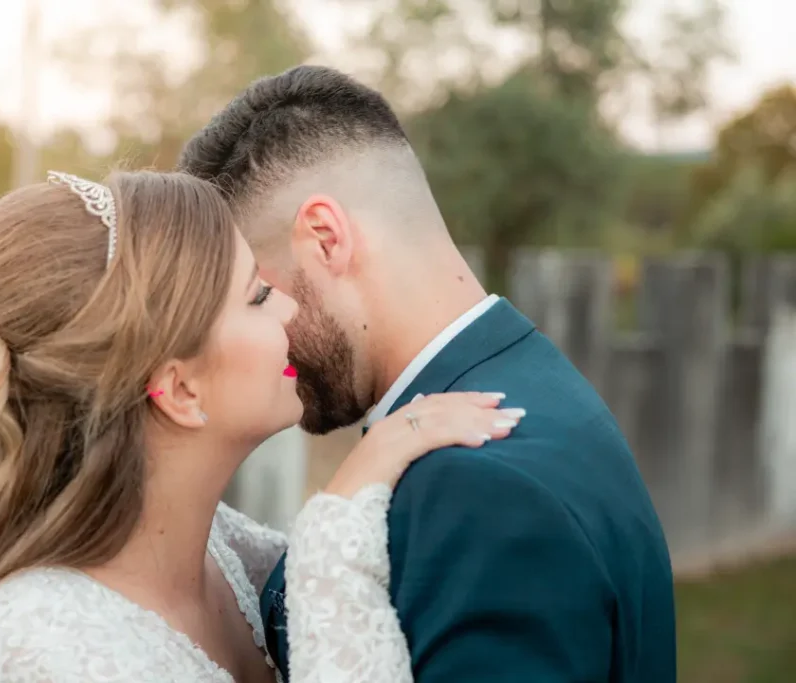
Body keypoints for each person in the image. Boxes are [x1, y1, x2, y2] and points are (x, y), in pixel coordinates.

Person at [0, 169, 524, 683]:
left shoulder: (223, 548)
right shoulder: (39, 642)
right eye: (257, 296)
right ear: (179, 387)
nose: (290, 306)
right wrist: (336, 527)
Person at [178, 64, 677, 682]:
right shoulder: (534, 388)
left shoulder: (477, 490)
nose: (264, 326)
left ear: (326, 239)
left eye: (257, 290)